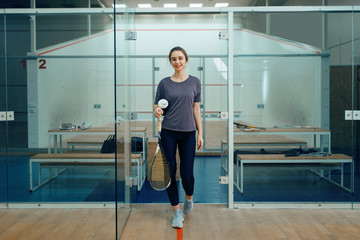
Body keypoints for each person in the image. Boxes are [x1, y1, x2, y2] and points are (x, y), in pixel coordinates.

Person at [153, 46, 203, 229]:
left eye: (180, 58)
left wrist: (201, 134)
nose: (177, 62)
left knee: (187, 174)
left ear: (186, 60)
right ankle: (176, 211)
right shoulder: (164, 83)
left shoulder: (195, 82)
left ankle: (189, 198)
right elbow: (157, 106)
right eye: (174, 59)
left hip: (189, 133)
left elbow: (196, 110)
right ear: (171, 61)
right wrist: (157, 110)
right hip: (168, 132)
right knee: (170, 173)